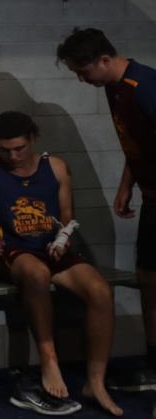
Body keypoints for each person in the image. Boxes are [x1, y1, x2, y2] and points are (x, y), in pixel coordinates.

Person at [0, 111, 121, 417]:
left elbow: (67, 215)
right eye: (5, 150)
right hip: (13, 252)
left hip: (51, 248)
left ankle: (96, 381)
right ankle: (49, 361)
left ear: (33, 139)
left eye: (19, 148)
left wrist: (61, 240)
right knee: (36, 273)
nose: (12, 156)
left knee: (100, 290)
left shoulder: (57, 168)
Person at [58, 27, 156, 392]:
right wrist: (127, 184)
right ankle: (153, 361)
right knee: (148, 278)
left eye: (84, 73)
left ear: (104, 59)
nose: (83, 81)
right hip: (150, 194)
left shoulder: (143, 87)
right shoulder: (115, 87)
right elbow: (140, 142)